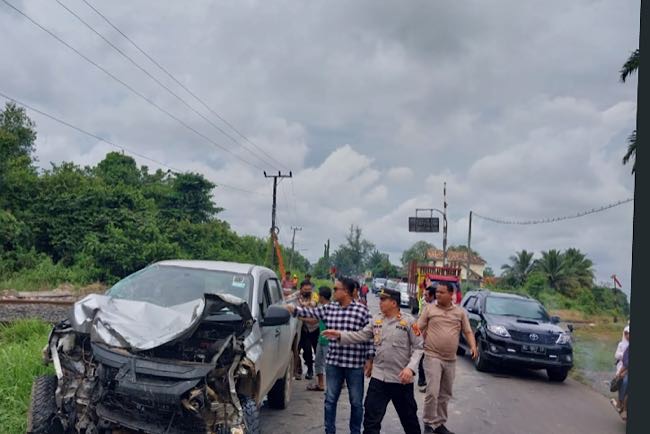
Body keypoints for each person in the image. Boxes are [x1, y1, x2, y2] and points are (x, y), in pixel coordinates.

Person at [322, 288, 423, 434]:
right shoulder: (376, 320)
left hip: (400, 379)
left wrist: (410, 368)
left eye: (383, 300)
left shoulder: (409, 322)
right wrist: (339, 335)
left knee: (409, 421)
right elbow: (360, 335)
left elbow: (419, 347)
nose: (380, 302)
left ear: (393, 303)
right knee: (370, 421)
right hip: (379, 378)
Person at [285, 277, 374, 434]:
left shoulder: (362, 311)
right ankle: (329, 431)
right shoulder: (330, 308)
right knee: (330, 400)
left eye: (336, 289)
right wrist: (293, 310)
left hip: (354, 364)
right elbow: (312, 313)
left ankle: (355, 431)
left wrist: (369, 358)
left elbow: (369, 336)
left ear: (345, 291)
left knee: (356, 403)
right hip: (334, 362)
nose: (333, 292)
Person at [416, 283, 478, 434]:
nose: (437, 295)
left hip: (450, 359)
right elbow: (418, 327)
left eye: (441, 292)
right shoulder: (429, 309)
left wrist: (473, 346)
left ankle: (439, 424)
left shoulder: (460, 312)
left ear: (451, 294)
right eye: (437, 292)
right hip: (432, 356)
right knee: (432, 391)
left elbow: (468, 331)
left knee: (445, 393)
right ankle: (429, 424)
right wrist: (412, 344)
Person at [308, 286, 332, 392]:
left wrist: (299, 315)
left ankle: (334, 385)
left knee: (330, 365)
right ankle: (321, 384)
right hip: (321, 340)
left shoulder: (328, 309)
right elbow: (314, 321)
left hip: (329, 342)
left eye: (318, 296)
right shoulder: (324, 308)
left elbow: (313, 320)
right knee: (318, 362)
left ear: (322, 297)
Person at [296, 280, 320, 380]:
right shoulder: (297, 295)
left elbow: (313, 304)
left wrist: (301, 304)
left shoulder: (314, 295)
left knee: (317, 351)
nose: (307, 291)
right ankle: (309, 370)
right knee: (306, 350)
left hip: (314, 328)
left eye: (309, 289)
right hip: (304, 329)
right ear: (301, 289)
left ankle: (319, 373)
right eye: (305, 289)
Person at [418, 284, 437, 392]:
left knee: (429, 363)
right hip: (426, 339)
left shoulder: (432, 309)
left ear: (432, 296)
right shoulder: (429, 306)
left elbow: (422, 326)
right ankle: (424, 381)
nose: (424, 297)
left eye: (426, 295)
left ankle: (429, 385)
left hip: (430, 341)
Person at [610, 325, 630, 420]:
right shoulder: (622, 345)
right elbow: (624, 361)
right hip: (623, 368)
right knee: (624, 382)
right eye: (626, 333)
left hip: (626, 368)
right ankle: (621, 402)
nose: (628, 335)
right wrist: (622, 372)